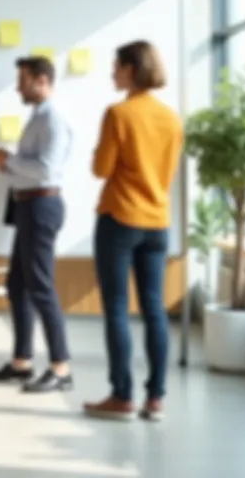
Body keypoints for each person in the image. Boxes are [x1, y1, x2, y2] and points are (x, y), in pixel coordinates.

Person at [83, 40, 183, 422]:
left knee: (117, 309)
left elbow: (101, 169)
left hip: (120, 218)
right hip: (158, 221)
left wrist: (100, 152)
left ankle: (122, 396)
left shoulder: (119, 114)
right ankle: (155, 397)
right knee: (155, 309)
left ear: (131, 69)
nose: (112, 73)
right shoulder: (171, 118)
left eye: (116, 66)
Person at [0, 56, 75, 394]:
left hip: (41, 206)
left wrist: (10, 161)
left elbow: (46, 169)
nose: (18, 87)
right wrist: (5, 165)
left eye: (23, 80)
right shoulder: (37, 118)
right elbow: (29, 167)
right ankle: (22, 362)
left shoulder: (53, 119)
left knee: (41, 287)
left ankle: (61, 368)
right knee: (18, 283)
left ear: (41, 80)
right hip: (27, 205)